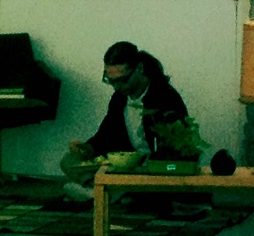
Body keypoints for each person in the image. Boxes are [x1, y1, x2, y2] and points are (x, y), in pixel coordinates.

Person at [60, 41, 202, 199]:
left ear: (140, 68)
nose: (117, 86)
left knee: (160, 170)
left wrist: (149, 163)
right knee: (68, 160)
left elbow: (178, 151)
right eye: (111, 81)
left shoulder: (166, 97)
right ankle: (106, 192)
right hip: (124, 166)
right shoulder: (119, 99)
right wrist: (89, 148)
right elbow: (106, 134)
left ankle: (104, 193)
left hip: (152, 167)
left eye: (123, 80)